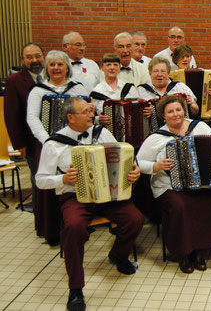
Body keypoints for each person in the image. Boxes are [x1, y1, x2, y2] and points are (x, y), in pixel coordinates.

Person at [35, 97, 144, 311]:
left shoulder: (101, 133)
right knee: (74, 228)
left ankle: (118, 255)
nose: (92, 115)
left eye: (91, 111)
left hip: (107, 195)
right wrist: (62, 179)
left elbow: (123, 157)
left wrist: (134, 170)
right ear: (70, 117)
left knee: (135, 219)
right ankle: (76, 288)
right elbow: (40, 180)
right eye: (86, 112)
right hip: (75, 196)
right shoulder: (54, 144)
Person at [136, 95, 211, 273]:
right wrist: (156, 166)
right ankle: (183, 253)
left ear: (184, 110)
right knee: (180, 206)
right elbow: (139, 163)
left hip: (202, 184)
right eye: (170, 112)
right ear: (163, 116)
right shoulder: (156, 137)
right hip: (169, 185)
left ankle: (200, 250)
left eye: (178, 110)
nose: (176, 114)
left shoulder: (200, 127)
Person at [27, 50, 90, 245]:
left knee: (76, 181)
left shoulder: (77, 88)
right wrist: (48, 141)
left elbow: (88, 111)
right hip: (48, 144)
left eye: (60, 65)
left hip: (76, 144)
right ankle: (53, 231)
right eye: (52, 65)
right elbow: (32, 118)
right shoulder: (38, 90)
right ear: (47, 68)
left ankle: (79, 224)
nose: (56, 68)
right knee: (50, 184)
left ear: (67, 68)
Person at [4, 43, 45, 211]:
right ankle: (41, 212)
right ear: (22, 59)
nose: (34, 60)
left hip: (54, 138)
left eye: (37, 56)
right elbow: (11, 116)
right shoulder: (14, 81)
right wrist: (19, 144)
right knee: (38, 176)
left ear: (43, 56)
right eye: (29, 57)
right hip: (30, 140)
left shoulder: (52, 74)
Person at [90, 53, 140, 123]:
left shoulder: (129, 88)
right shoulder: (96, 92)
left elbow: (138, 110)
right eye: (108, 65)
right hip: (105, 130)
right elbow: (91, 116)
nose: (112, 68)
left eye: (115, 65)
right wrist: (98, 119)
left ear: (119, 67)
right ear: (102, 68)